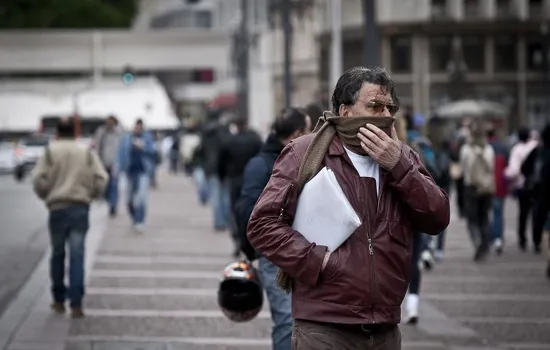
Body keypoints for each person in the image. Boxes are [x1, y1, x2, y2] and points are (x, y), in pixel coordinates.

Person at [247, 66, 450, 349]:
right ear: (345, 112)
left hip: (385, 329)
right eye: (374, 106)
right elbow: (261, 225)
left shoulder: (403, 156)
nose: (384, 115)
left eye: (389, 107)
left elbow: (438, 216)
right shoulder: (304, 153)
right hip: (324, 327)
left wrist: (399, 166)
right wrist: (318, 261)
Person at [235, 107, 311, 350]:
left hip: (306, 251)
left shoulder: (303, 159)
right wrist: (254, 250)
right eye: (309, 130)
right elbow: (246, 211)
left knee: (306, 322)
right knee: (287, 320)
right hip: (275, 254)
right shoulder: (262, 164)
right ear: (298, 133)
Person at [32, 118, 108, 318]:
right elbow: (102, 178)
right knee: (77, 255)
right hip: (79, 207)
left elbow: (38, 179)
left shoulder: (50, 151)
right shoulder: (85, 152)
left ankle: (58, 299)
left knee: (57, 253)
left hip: (57, 207)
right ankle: (76, 303)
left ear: (57, 132)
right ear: (75, 131)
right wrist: (93, 195)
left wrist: (46, 195)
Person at [218, 116, 263, 257]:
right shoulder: (255, 140)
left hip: (234, 179)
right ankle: (249, 239)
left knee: (234, 211)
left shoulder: (229, 141)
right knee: (251, 210)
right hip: (252, 179)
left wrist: (222, 177)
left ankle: (237, 238)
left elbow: (221, 162)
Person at [460, 119, 495, 261]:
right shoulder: (489, 149)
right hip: (486, 188)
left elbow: (463, 168)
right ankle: (485, 245)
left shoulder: (466, 149)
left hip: (471, 188)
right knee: (484, 218)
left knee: (472, 220)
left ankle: (477, 241)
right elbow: (491, 168)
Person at [117, 119, 157, 232]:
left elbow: (154, 152)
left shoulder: (147, 138)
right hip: (129, 171)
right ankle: (134, 218)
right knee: (128, 199)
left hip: (143, 171)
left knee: (141, 198)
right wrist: (119, 167)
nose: (138, 129)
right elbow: (121, 153)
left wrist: (143, 147)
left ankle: (140, 220)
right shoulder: (126, 138)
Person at [505, 127, 539, 251]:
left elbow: (513, 170)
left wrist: (506, 176)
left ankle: (522, 239)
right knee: (537, 213)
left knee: (523, 214)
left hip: (522, 186)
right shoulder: (536, 147)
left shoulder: (517, 149)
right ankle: (537, 240)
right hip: (538, 186)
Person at [93, 115, 122, 217]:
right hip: (103, 162)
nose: (109, 125)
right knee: (105, 185)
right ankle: (106, 199)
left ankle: (113, 206)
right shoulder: (101, 132)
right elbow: (97, 146)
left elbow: (121, 148)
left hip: (115, 163)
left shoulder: (119, 133)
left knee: (114, 185)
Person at [487, 127, 509, 255]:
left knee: (487, 213)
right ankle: (498, 238)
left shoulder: (485, 148)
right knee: (498, 214)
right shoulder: (502, 147)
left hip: (487, 185)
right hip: (500, 185)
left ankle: (490, 237)